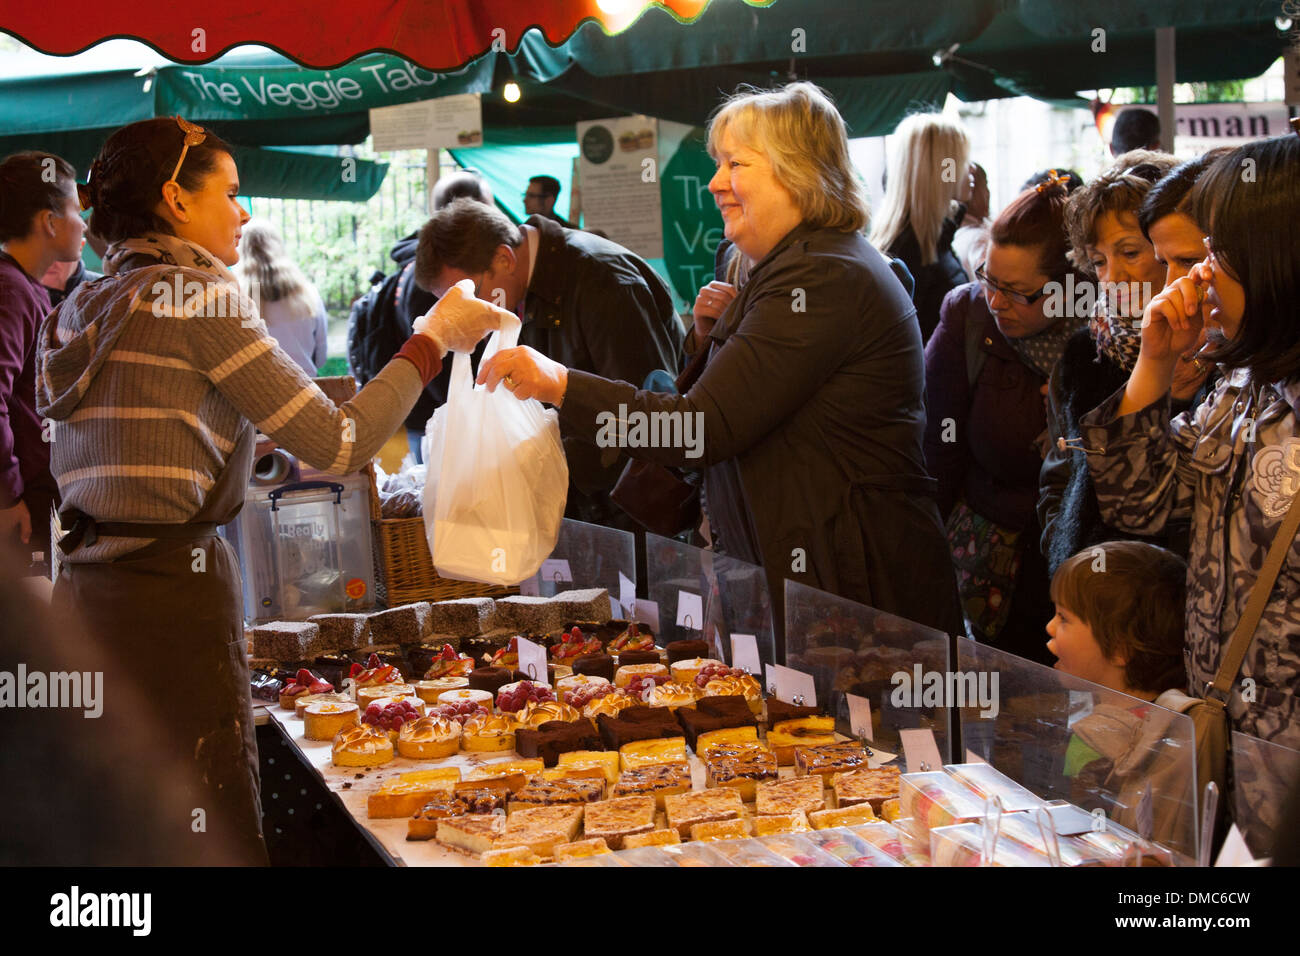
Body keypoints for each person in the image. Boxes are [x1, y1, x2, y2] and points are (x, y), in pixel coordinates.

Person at [36, 116, 504, 863]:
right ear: (174, 200)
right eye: (230, 191)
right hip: (172, 605)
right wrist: (432, 338)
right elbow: (341, 443)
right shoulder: (202, 300)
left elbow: (142, 439)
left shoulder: (74, 312)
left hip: (82, 601)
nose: (244, 212)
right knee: (204, 823)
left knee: (110, 829)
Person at [474, 82, 963, 651]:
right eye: (717, 163)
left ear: (796, 171)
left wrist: (558, 382)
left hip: (857, 604)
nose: (714, 182)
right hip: (826, 589)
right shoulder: (796, 267)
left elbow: (697, 429)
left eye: (735, 163)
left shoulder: (822, 276)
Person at [1078, 134, 1300, 749]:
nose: (1198, 278)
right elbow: (1138, 508)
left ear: (1274, 258)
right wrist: (1153, 361)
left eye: (1216, 253)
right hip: (1224, 733)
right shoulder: (1244, 382)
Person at [415, 195, 685, 530]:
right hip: (590, 510)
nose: (468, 310)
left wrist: (539, 468)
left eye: (470, 294)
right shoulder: (523, 288)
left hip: (641, 518)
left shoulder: (603, 280)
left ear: (504, 258)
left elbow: (652, 423)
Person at [924, 174, 1083, 664]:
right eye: (988, 278)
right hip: (988, 563)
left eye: (1017, 292)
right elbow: (935, 453)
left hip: (1077, 567)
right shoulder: (968, 317)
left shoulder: (1108, 334)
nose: (996, 301)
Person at [1039, 152, 1190, 576]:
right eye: (1100, 260)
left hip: (1174, 600)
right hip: (1087, 592)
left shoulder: (1217, 357)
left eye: (1129, 252)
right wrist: (1061, 550)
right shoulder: (1084, 354)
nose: (1113, 276)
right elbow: (1061, 472)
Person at [1048, 540, 1199, 849]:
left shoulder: (1088, 744)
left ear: (1119, 650)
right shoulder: (1182, 722)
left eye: (1064, 618)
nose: (1050, 626)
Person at [349, 168, 495, 463]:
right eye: (488, 210)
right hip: (437, 424)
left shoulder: (415, 268)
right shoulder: (435, 278)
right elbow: (442, 362)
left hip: (428, 418)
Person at [0, 151, 83, 571]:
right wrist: (8, 495)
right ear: (49, 222)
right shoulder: (10, 290)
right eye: (75, 210)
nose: (83, 224)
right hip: (21, 507)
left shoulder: (21, 285)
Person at [869, 112, 971, 343]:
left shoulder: (929, 239)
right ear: (941, 171)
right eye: (964, 160)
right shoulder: (910, 251)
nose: (971, 170)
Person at [234, 219, 328, 375]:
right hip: (307, 388)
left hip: (255, 392)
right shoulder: (310, 294)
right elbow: (320, 359)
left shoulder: (235, 297)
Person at [951, 161, 990, 283]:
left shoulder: (956, 234)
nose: (988, 193)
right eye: (985, 185)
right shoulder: (979, 238)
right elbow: (985, 290)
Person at [40, 236, 102, 308]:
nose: (48, 261)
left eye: (59, 250)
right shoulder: (25, 299)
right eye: (39, 250)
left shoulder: (106, 292)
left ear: (80, 247)